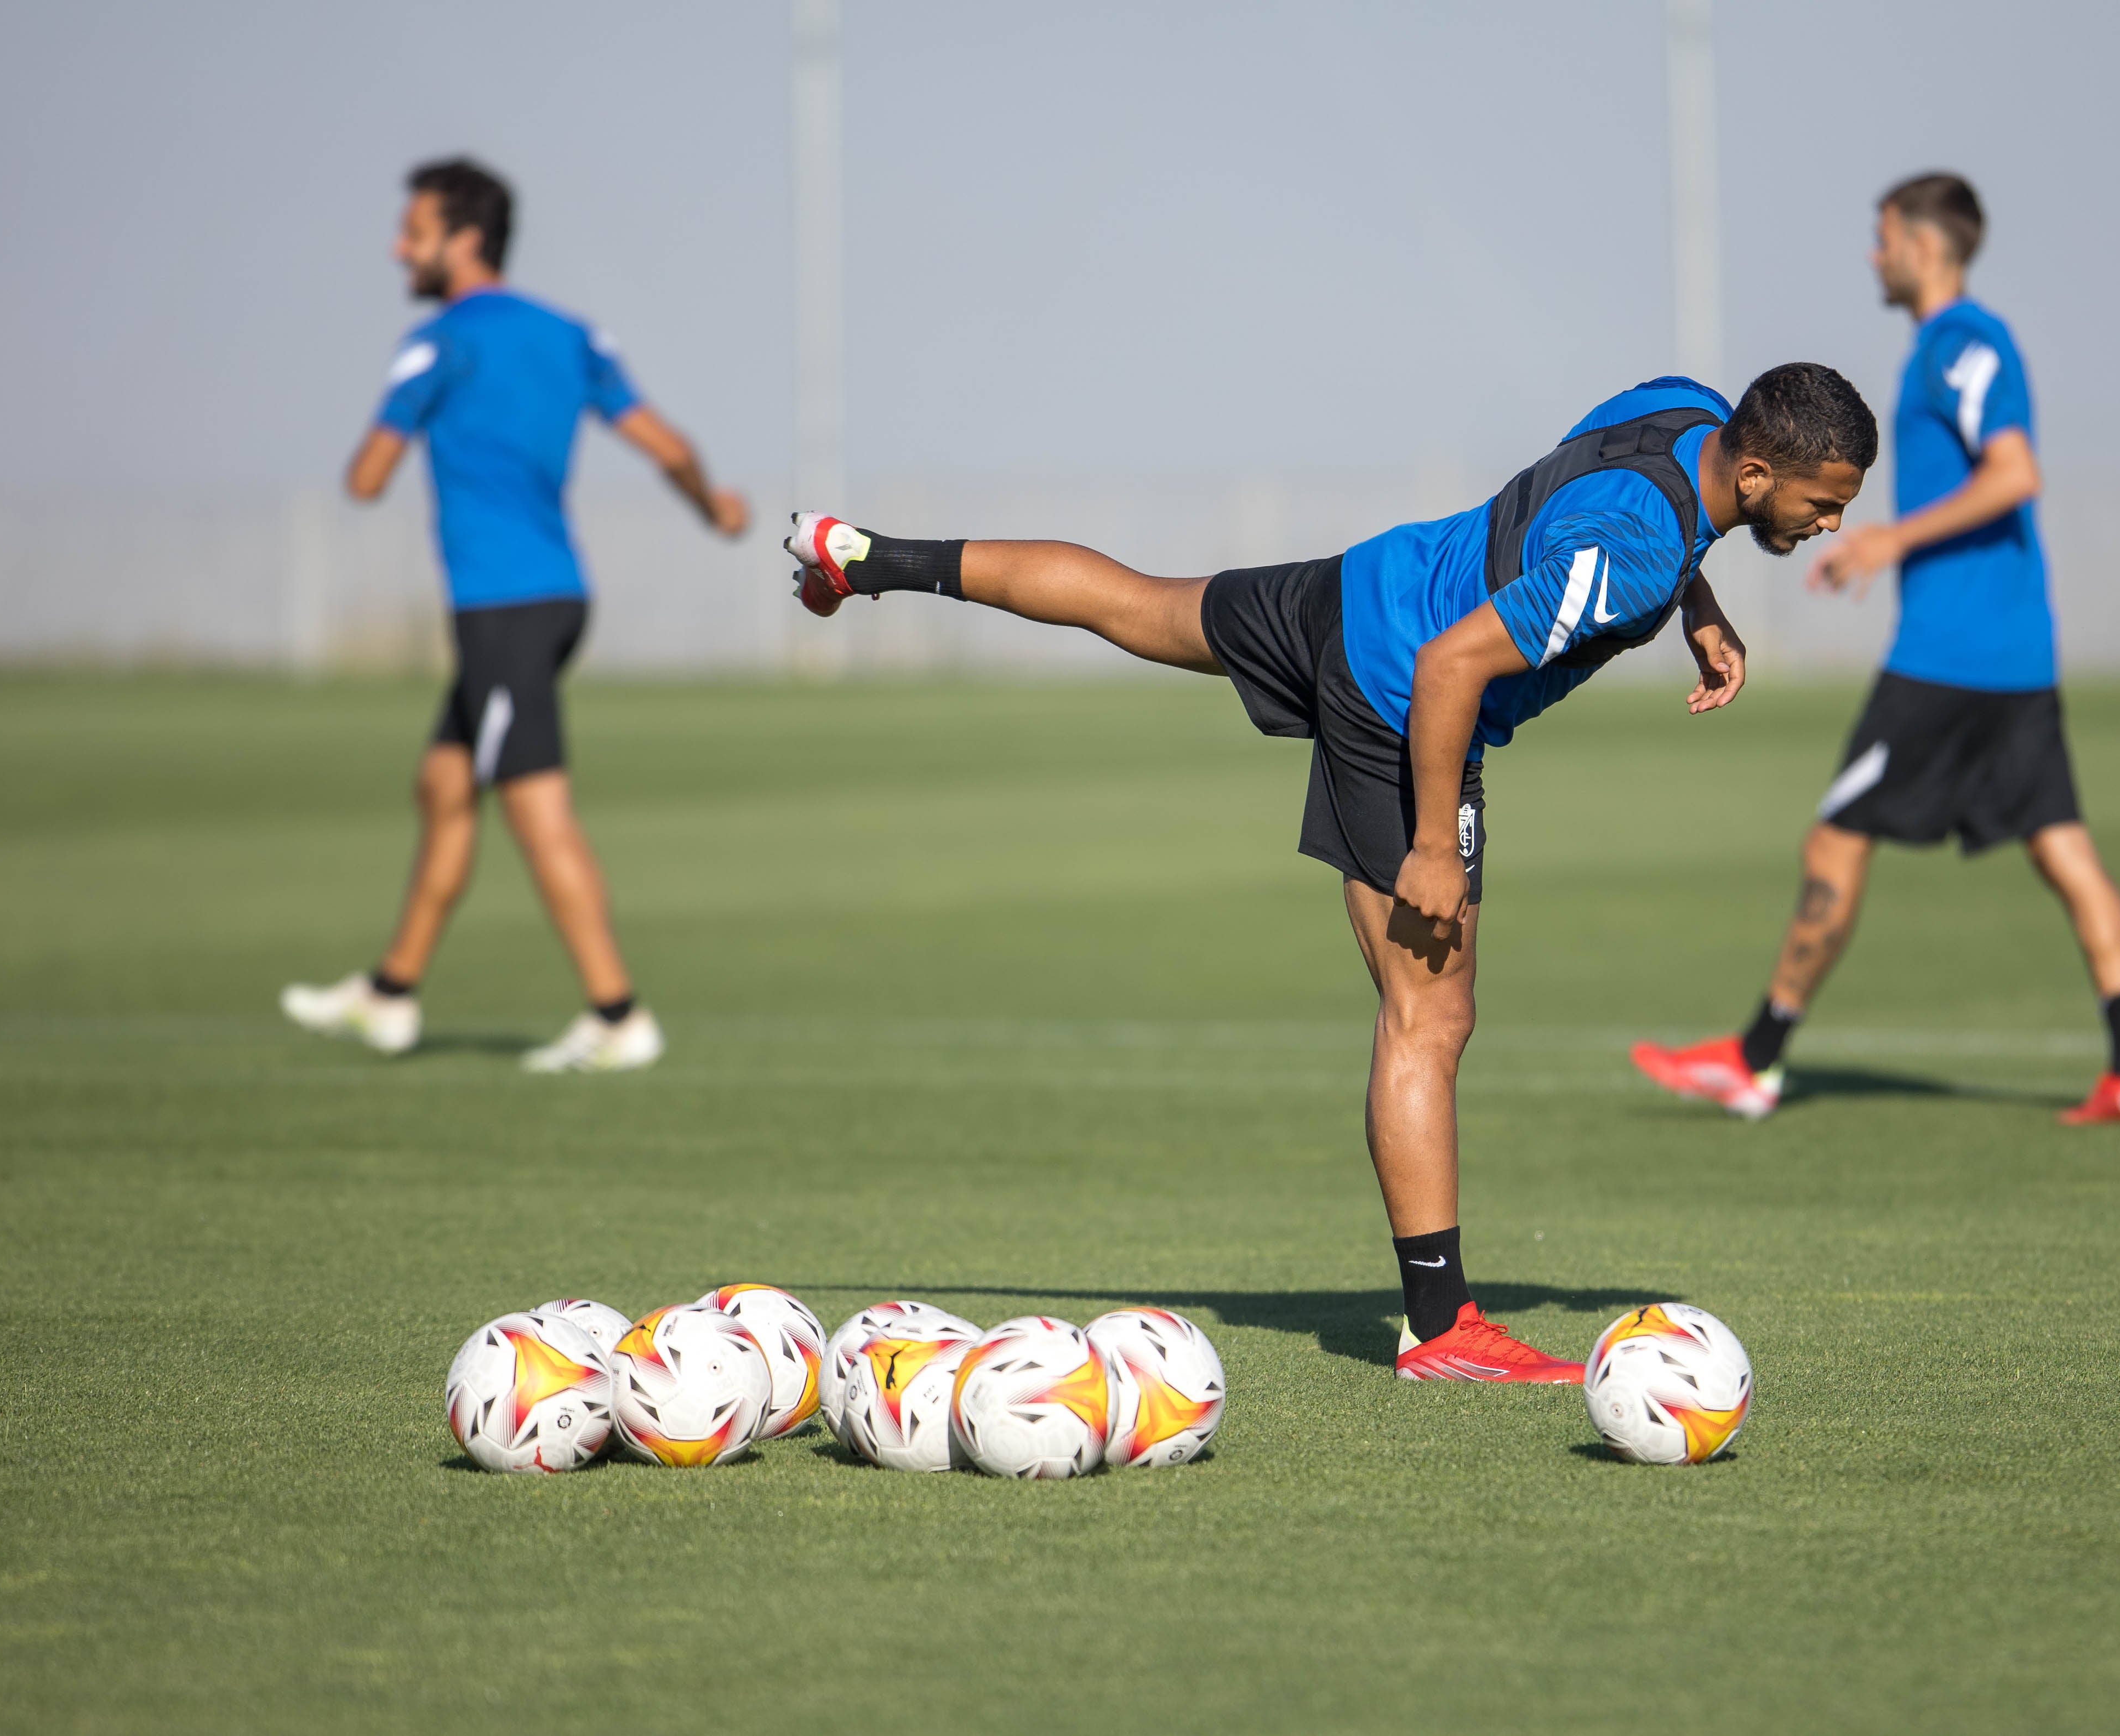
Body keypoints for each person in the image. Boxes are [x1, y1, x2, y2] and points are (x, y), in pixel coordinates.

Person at [786, 363, 1875, 1378]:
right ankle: (1443, 1325)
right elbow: (1457, 665)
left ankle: (874, 561)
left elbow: (1597, 513)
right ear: (1755, 472)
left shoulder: (1682, 408)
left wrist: (1701, 606)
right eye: (1823, 502)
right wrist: (1431, 848)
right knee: (1431, 1016)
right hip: (1402, 692)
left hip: (1361, 582)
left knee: (1138, 602)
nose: (1832, 524)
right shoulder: (1639, 560)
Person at [1632, 174, 2120, 1127]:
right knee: (2062, 849)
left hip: (1951, 656)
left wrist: (1889, 539)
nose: (1874, 256)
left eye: (1883, 239)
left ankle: (1755, 1062)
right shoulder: (1954, 346)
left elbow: (2016, 471)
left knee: (1836, 837)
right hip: (2016, 655)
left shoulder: (1961, 344)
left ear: (1925, 248)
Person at [281, 158, 749, 1072]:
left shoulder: (439, 343)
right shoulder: (573, 334)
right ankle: (391, 994)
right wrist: (715, 509)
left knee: (537, 812)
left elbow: (365, 480)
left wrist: (414, 416)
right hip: (559, 595)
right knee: (446, 786)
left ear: (463, 240)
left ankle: (617, 1015)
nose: (397, 249)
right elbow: (668, 444)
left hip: (501, 606)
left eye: (412, 233)